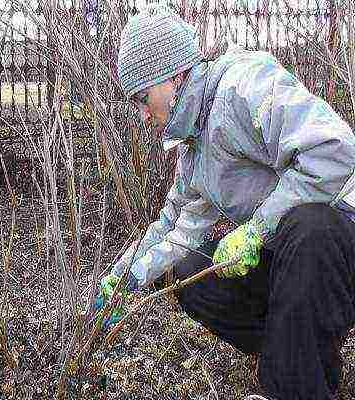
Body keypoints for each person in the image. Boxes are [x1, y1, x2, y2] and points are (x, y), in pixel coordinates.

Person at [97, 4, 355, 400]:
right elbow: (175, 226)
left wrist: (257, 228)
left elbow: (335, 153)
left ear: (175, 76)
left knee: (310, 227)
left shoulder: (244, 88)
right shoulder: (196, 146)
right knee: (190, 270)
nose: (143, 115)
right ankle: (297, 355)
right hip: (298, 261)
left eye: (143, 97)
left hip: (341, 240)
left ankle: (291, 386)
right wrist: (125, 279)